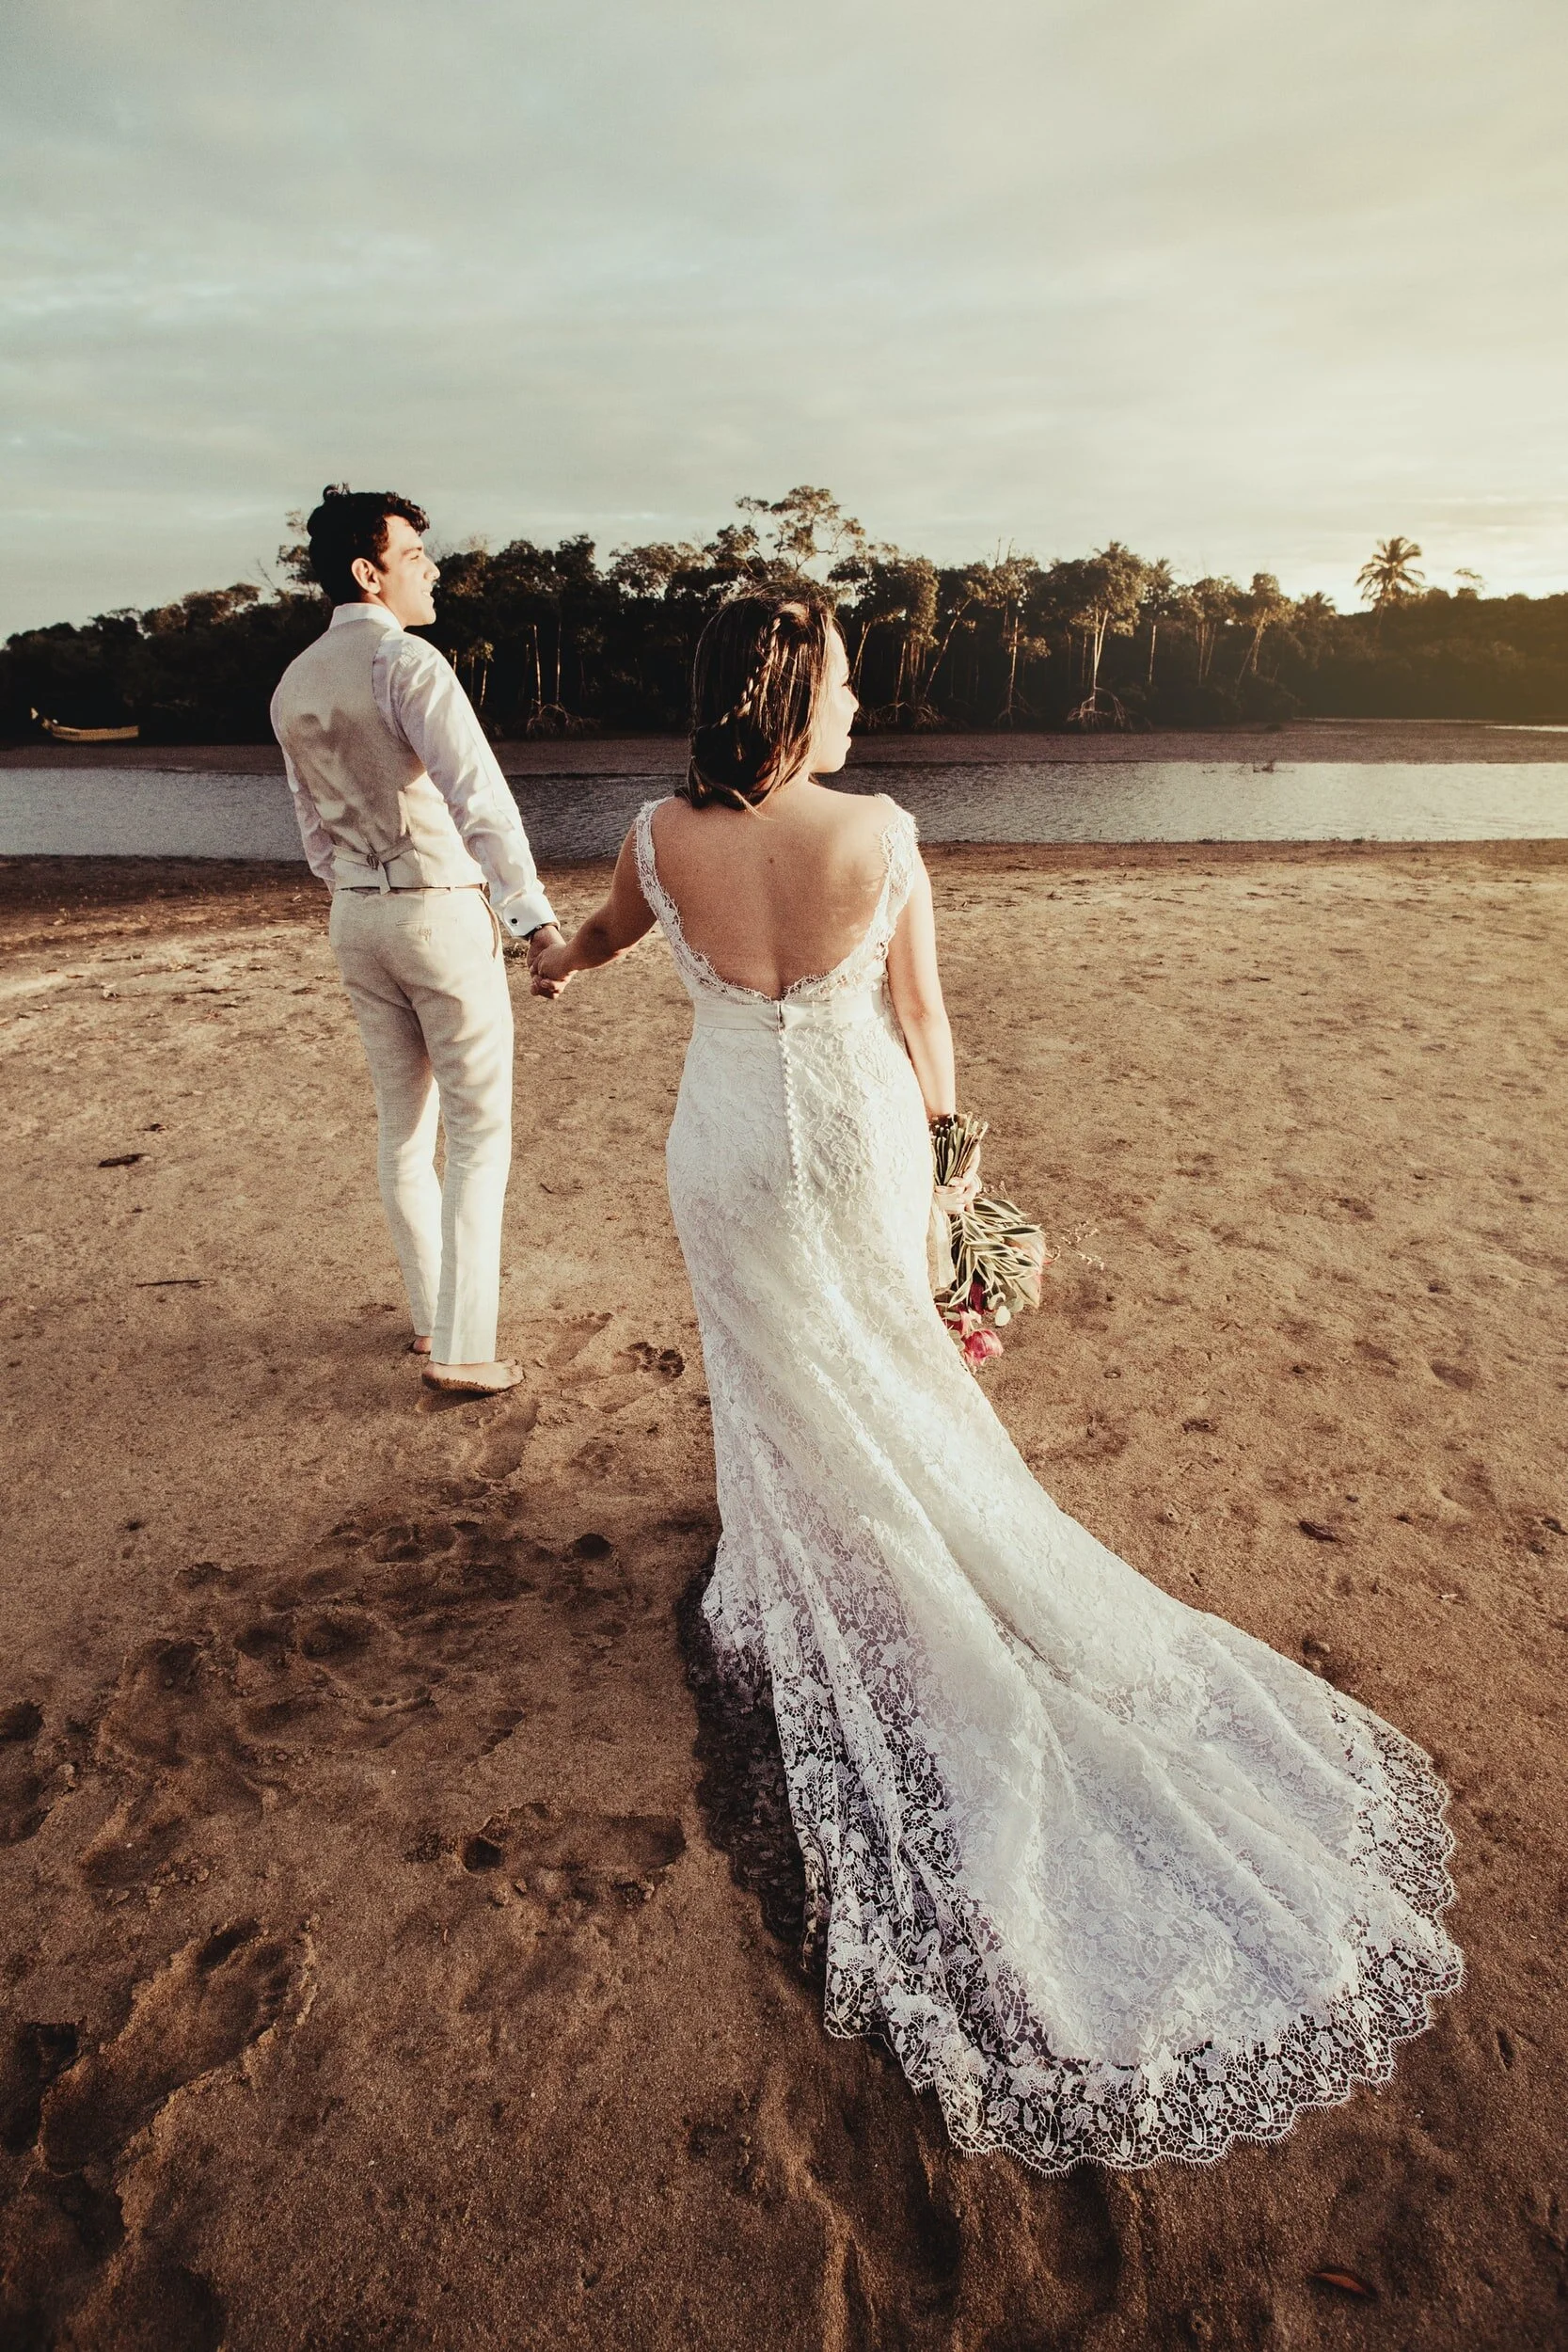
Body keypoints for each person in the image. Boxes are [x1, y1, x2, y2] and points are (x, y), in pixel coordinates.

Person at [529, 585, 1461, 2173]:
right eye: (841, 680)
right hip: (856, 1140)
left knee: (777, 1371)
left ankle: (800, 1557)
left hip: (727, 1150)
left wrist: (544, 961)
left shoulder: (653, 835)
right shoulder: (880, 834)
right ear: (792, 694)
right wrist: (951, 1176)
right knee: (886, 1362)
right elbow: (920, 1018)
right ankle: (911, 1545)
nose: (856, 703)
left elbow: (597, 946)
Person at [272, 486, 562, 1396]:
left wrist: (361, 892)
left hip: (356, 918)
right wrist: (532, 919)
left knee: (403, 1133)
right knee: (477, 1133)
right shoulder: (406, 660)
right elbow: (479, 797)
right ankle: (463, 1349)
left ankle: (434, 1318)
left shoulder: (293, 682)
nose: (430, 571)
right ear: (369, 571)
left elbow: (313, 834)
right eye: (414, 557)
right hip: (436, 911)